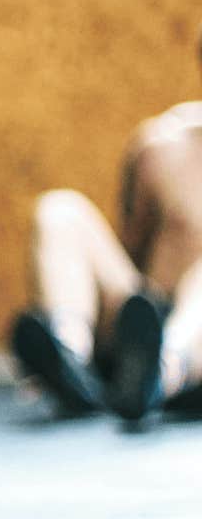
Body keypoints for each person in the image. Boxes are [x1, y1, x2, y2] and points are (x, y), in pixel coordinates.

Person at [13, 42, 202, 423]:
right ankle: (68, 357)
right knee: (59, 211)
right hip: (145, 322)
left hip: (188, 352)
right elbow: (131, 249)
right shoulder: (160, 146)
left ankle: (162, 374)